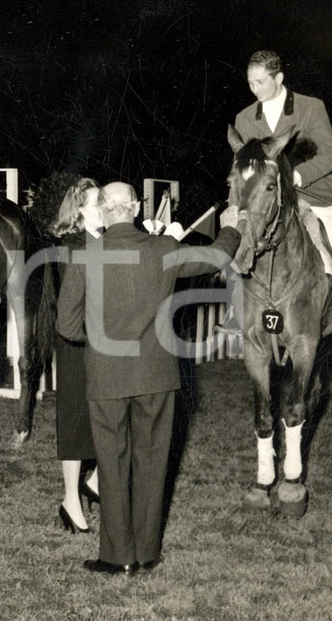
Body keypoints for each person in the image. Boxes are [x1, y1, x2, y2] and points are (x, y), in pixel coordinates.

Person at [56, 182, 241, 576]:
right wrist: (232, 226)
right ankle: (147, 552)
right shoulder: (163, 250)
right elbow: (216, 256)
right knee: (153, 463)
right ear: (137, 208)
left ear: (104, 210)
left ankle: (117, 556)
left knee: (112, 465)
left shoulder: (85, 257)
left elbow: (67, 326)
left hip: (106, 377)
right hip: (157, 375)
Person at [222, 49, 332, 333]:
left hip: (312, 192)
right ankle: (236, 309)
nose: (254, 89)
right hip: (266, 199)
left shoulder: (311, 107)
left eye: (260, 82)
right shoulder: (244, 118)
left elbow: (331, 155)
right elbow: (244, 166)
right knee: (238, 233)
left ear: (278, 78)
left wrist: (299, 175)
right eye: (250, 82)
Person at [49, 178, 103, 534]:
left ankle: (95, 482)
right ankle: (71, 499)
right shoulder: (71, 246)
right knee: (74, 420)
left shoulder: (99, 241)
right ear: (80, 208)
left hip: (99, 343)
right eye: (98, 202)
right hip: (75, 343)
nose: (104, 208)